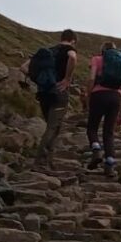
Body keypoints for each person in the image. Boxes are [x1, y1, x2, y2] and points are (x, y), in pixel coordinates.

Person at [33, 30, 78, 164]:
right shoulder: (69, 49)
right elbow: (73, 57)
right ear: (73, 40)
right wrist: (67, 79)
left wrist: (40, 81)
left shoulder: (48, 51)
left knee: (52, 126)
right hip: (59, 91)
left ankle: (48, 160)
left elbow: (24, 67)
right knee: (53, 127)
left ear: (61, 37)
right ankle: (40, 160)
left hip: (43, 92)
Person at [86, 40, 121, 177]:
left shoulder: (97, 59)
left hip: (99, 95)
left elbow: (91, 78)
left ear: (102, 50)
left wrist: (88, 95)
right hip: (116, 97)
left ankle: (96, 149)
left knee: (92, 127)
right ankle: (109, 165)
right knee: (109, 133)